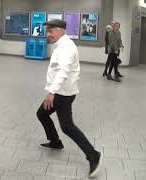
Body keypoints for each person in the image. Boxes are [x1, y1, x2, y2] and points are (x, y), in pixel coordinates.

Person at [36, 19, 103, 178]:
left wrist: (51, 92)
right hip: (60, 91)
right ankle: (55, 142)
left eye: (51, 31)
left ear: (60, 30)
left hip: (62, 94)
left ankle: (93, 155)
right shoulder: (60, 45)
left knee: (67, 126)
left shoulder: (67, 47)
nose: (48, 35)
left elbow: (63, 71)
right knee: (42, 114)